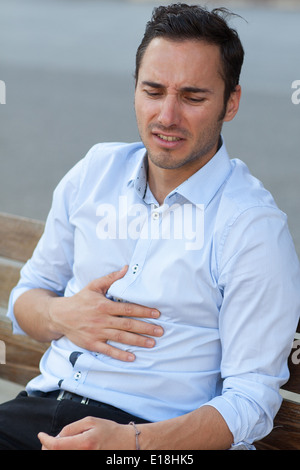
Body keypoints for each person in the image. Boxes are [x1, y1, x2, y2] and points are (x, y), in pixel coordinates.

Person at [1, 3, 299, 450]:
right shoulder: (94, 171)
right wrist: (61, 314)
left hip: (153, 438)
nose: (167, 116)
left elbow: (251, 402)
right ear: (135, 90)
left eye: (193, 97)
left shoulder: (251, 226)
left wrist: (131, 443)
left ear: (231, 102)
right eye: (153, 91)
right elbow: (27, 296)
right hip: (40, 410)